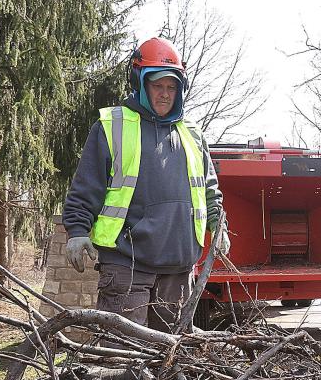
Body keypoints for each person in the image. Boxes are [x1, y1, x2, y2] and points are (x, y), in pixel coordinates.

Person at [62, 36, 229, 332]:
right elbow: (85, 186)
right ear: (140, 83)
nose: (165, 94)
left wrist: (218, 226)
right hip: (127, 264)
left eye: (171, 87)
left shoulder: (192, 134)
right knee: (124, 359)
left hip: (178, 271)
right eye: (157, 85)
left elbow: (209, 190)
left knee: (169, 359)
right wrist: (77, 230)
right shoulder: (112, 126)